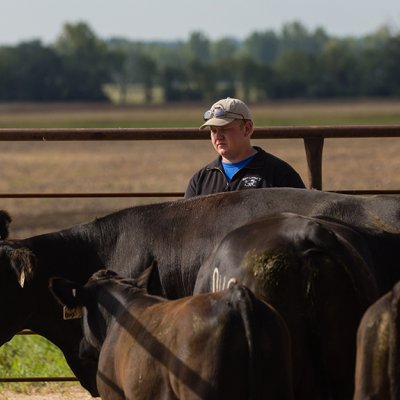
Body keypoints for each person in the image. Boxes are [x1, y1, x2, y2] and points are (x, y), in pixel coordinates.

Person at [184, 97, 306, 198]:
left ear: (247, 128)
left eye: (224, 129)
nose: (218, 136)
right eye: (213, 130)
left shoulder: (279, 174)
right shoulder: (200, 179)